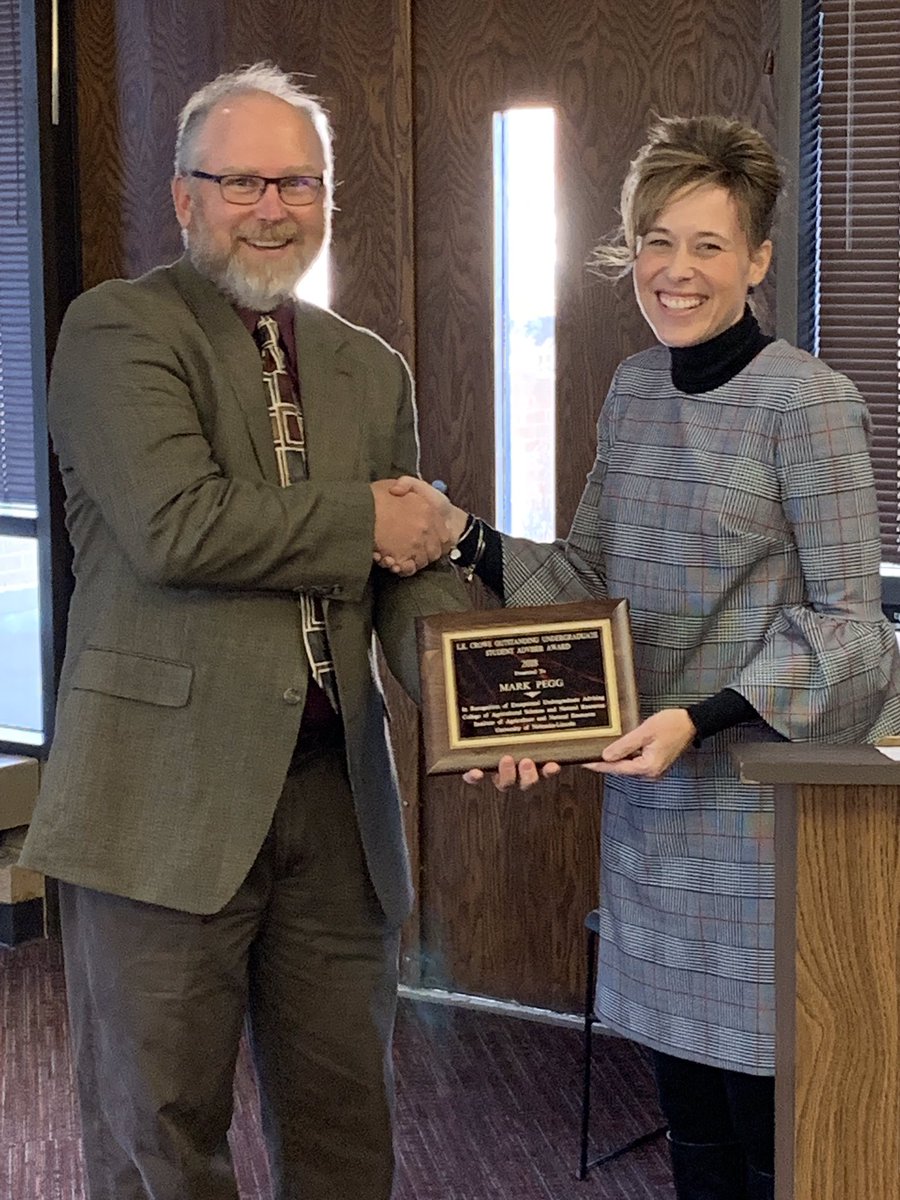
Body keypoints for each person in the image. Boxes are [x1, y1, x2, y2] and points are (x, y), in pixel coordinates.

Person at [381, 115, 900, 1199]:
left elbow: (856, 627)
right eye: (656, 241)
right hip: (651, 819)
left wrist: (698, 718)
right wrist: (459, 533)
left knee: (780, 1143)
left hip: (764, 822)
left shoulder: (810, 403)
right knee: (692, 1133)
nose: (676, 271)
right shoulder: (632, 389)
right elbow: (587, 582)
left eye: (709, 246)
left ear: (758, 261)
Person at [21, 63, 465, 1200]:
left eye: (299, 183)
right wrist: (369, 515)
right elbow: (180, 526)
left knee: (344, 1122)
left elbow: (401, 574)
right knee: (159, 1130)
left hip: (336, 805)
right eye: (243, 181)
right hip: (158, 801)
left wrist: (472, 700)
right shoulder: (117, 328)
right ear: (184, 198)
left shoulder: (373, 369)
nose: (273, 207)